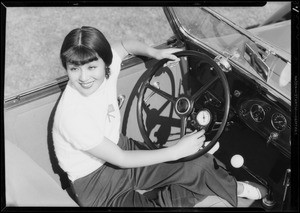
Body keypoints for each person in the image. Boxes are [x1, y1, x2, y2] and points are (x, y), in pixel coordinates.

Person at [52, 26, 267, 207]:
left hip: (120, 146)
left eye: (91, 67)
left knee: (197, 164)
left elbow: (125, 45)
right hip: (96, 183)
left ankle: (235, 188)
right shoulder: (71, 116)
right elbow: (121, 159)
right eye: (74, 69)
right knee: (184, 162)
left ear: (105, 63)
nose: (84, 77)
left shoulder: (110, 65)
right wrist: (174, 152)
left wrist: (154, 52)